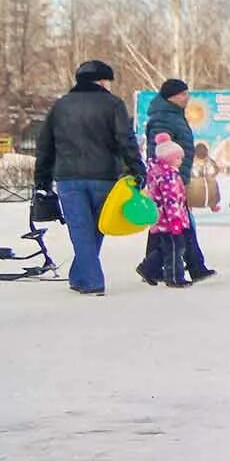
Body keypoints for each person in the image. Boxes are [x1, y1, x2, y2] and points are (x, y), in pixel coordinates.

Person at [32, 59, 145, 295]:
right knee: (96, 228)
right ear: (102, 81)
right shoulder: (113, 104)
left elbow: (45, 145)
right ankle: (92, 281)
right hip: (104, 177)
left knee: (81, 229)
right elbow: (126, 140)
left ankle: (81, 276)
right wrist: (137, 168)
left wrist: (42, 178)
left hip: (68, 178)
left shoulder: (61, 106)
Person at [140, 78, 215, 282]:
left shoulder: (174, 114)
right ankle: (191, 266)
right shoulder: (164, 117)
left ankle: (154, 267)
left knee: (168, 223)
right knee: (179, 223)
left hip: (176, 176)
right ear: (171, 96)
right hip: (170, 180)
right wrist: (170, 177)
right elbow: (159, 149)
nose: (187, 97)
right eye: (183, 94)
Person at [141, 134, 194, 287]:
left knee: (166, 247)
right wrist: (176, 220)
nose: (181, 161)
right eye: (178, 158)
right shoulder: (168, 176)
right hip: (170, 219)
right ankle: (174, 278)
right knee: (176, 249)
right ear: (169, 159)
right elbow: (171, 200)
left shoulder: (157, 172)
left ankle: (147, 268)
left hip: (162, 218)